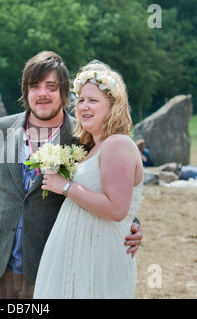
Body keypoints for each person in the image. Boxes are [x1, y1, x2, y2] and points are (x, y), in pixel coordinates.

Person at [0, 51, 142, 299]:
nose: (42, 93)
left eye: (51, 86)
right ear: (26, 92)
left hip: (51, 266)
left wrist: (133, 225)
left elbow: (109, 188)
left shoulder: (84, 137)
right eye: (34, 86)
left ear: (64, 93)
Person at [34, 60, 143, 299]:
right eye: (81, 100)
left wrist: (65, 187)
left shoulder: (117, 144)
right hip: (79, 252)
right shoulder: (93, 146)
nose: (84, 106)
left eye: (93, 101)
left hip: (99, 256)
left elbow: (116, 209)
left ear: (113, 106)